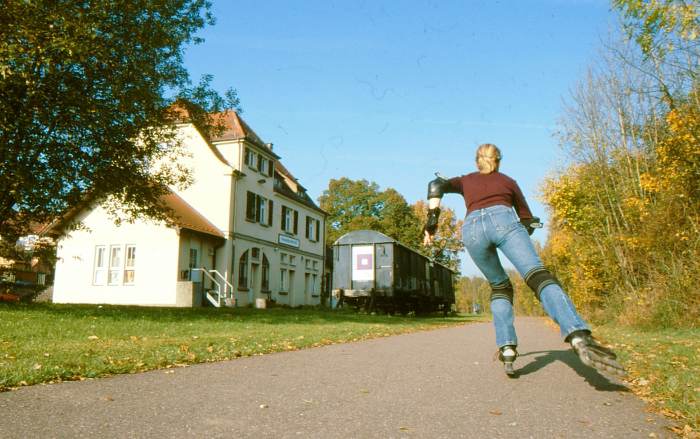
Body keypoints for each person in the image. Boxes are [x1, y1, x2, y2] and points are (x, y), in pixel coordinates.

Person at [423, 143, 624, 377]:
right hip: (504, 220)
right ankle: (578, 335)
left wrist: (431, 223)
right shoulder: (508, 181)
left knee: (499, 286)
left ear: (477, 160)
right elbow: (527, 221)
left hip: (472, 231)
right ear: (498, 160)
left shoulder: (465, 180)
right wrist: (522, 234)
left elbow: (435, 185)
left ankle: (507, 348)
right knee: (538, 276)